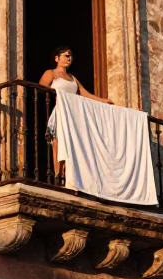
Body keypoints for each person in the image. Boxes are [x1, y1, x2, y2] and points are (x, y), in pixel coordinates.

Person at [39, 46, 111, 183]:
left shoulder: (72, 78)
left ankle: (69, 177)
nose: (69, 58)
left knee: (71, 144)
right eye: (66, 55)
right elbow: (41, 87)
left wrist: (102, 101)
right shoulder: (51, 73)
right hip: (60, 112)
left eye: (70, 56)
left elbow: (83, 93)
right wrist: (56, 93)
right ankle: (58, 176)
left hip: (73, 115)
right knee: (58, 143)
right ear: (57, 58)